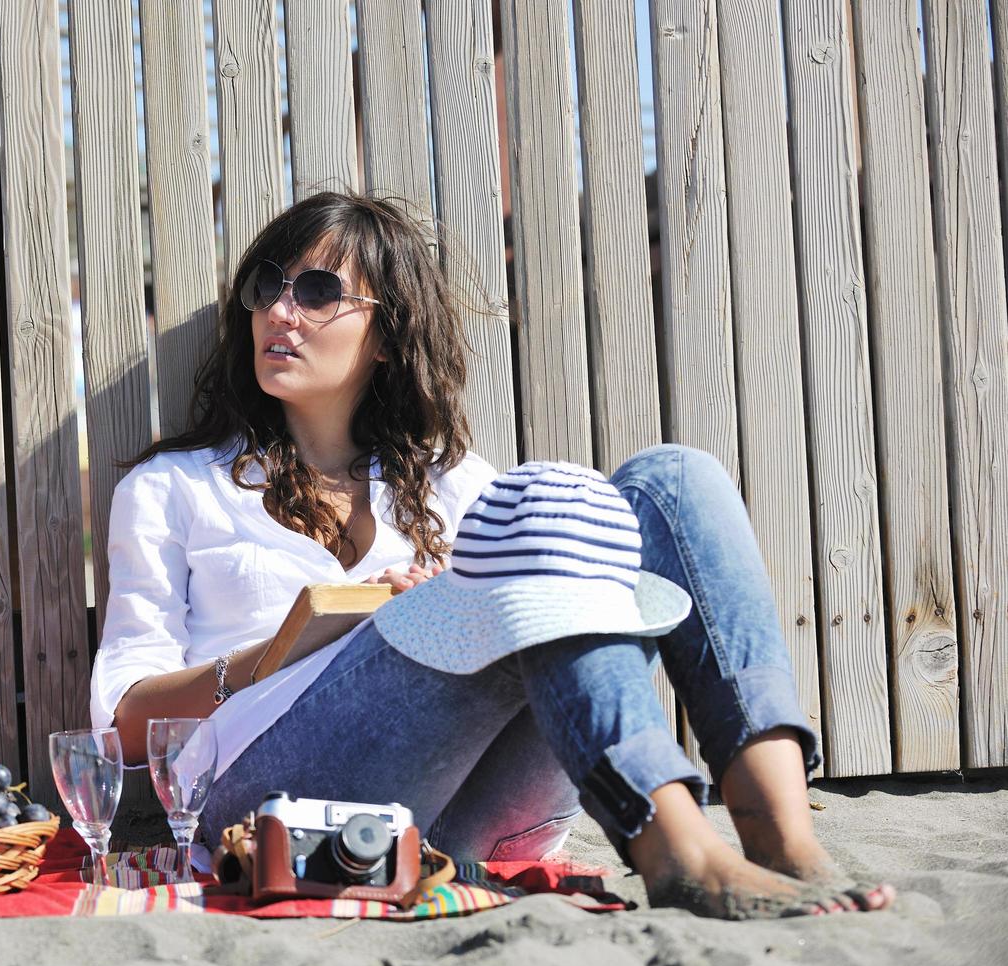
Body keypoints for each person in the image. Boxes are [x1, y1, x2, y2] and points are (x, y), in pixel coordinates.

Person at [89, 191, 893, 919]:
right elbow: (123, 724)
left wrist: (461, 603)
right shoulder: (177, 489)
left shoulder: (457, 484)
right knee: (533, 518)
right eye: (267, 286)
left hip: (478, 809)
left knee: (675, 482)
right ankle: (671, 839)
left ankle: (780, 831)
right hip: (272, 803)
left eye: (318, 291)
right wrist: (298, 642)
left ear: (385, 336)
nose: (280, 312)